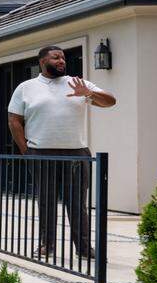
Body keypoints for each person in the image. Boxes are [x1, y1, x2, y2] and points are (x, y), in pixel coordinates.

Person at [7, 46, 116, 259]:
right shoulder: (26, 87)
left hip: (76, 153)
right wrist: (25, 150)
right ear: (42, 61)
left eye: (63, 58)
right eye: (56, 57)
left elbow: (110, 101)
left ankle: (84, 248)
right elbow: (14, 119)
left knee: (77, 202)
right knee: (46, 201)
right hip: (40, 153)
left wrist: (89, 93)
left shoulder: (79, 84)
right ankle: (47, 245)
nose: (61, 61)